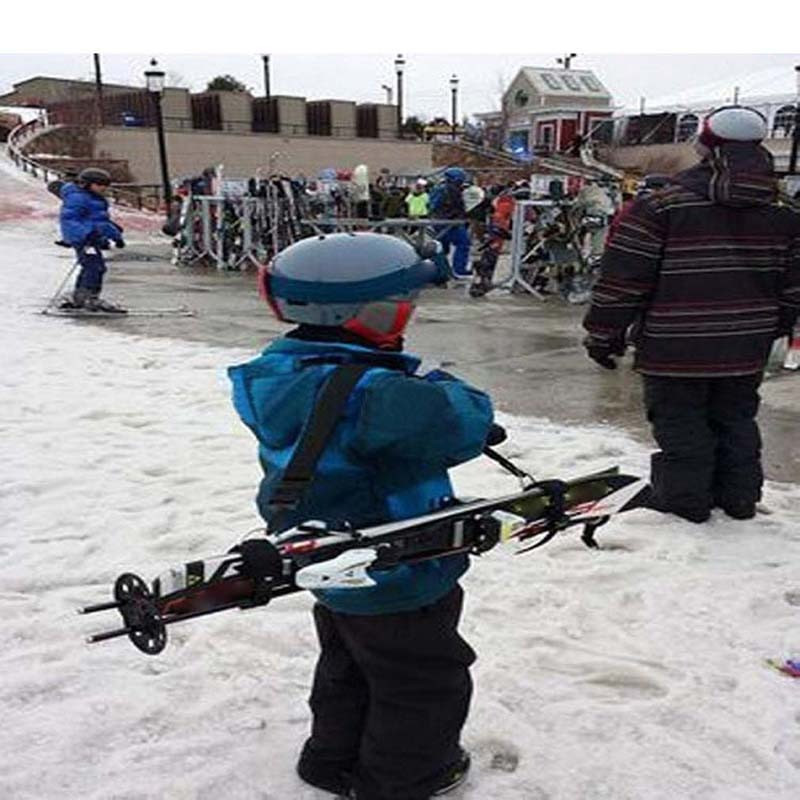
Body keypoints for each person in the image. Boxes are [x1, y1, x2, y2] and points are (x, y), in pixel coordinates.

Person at [227, 233, 496, 800]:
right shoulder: (377, 392)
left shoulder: (277, 376)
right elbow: (463, 420)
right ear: (368, 312)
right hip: (399, 564)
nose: (411, 314)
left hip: (326, 557)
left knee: (347, 661)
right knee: (423, 678)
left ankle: (329, 759)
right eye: (405, 304)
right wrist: (433, 381)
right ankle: (404, 779)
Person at [582, 106, 800, 523]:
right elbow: (794, 288)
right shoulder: (785, 214)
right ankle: (738, 499)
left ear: (704, 146)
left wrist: (603, 335)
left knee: (681, 423)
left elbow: (623, 279)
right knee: (736, 419)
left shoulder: (661, 207)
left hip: (674, 345)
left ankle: (685, 502)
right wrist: (773, 326)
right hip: (746, 344)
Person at [57, 167, 126, 312]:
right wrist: (85, 234)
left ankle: (81, 296)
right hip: (84, 239)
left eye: (105, 186)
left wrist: (116, 236)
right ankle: (89, 297)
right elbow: (70, 219)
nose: (103, 189)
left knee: (92, 266)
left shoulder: (95, 198)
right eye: (100, 185)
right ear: (87, 184)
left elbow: (102, 222)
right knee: (94, 267)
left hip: (92, 238)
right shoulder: (78, 198)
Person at [430, 167, 471, 280]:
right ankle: (458, 270)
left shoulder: (438, 188)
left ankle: (439, 271)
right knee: (463, 243)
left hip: (437, 221)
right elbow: (458, 207)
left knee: (442, 248)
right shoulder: (452, 190)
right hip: (450, 222)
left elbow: (431, 205)